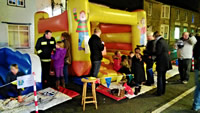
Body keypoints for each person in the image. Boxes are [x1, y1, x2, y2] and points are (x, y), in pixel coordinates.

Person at [153, 31, 172, 96]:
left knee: (160, 77)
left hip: (161, 62)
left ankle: (159, 92)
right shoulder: (164, 41)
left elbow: (158, 52)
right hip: (166, 61)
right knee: (163, 76)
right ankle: (163, 90)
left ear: (155, 36)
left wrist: (151, 54)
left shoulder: (159, 42)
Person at [192, 33, 200, 111]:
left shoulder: (197, 43)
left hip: (198, 67)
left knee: (198, 86)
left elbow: (195, 54)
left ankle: (196, 105)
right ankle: (196, 104)